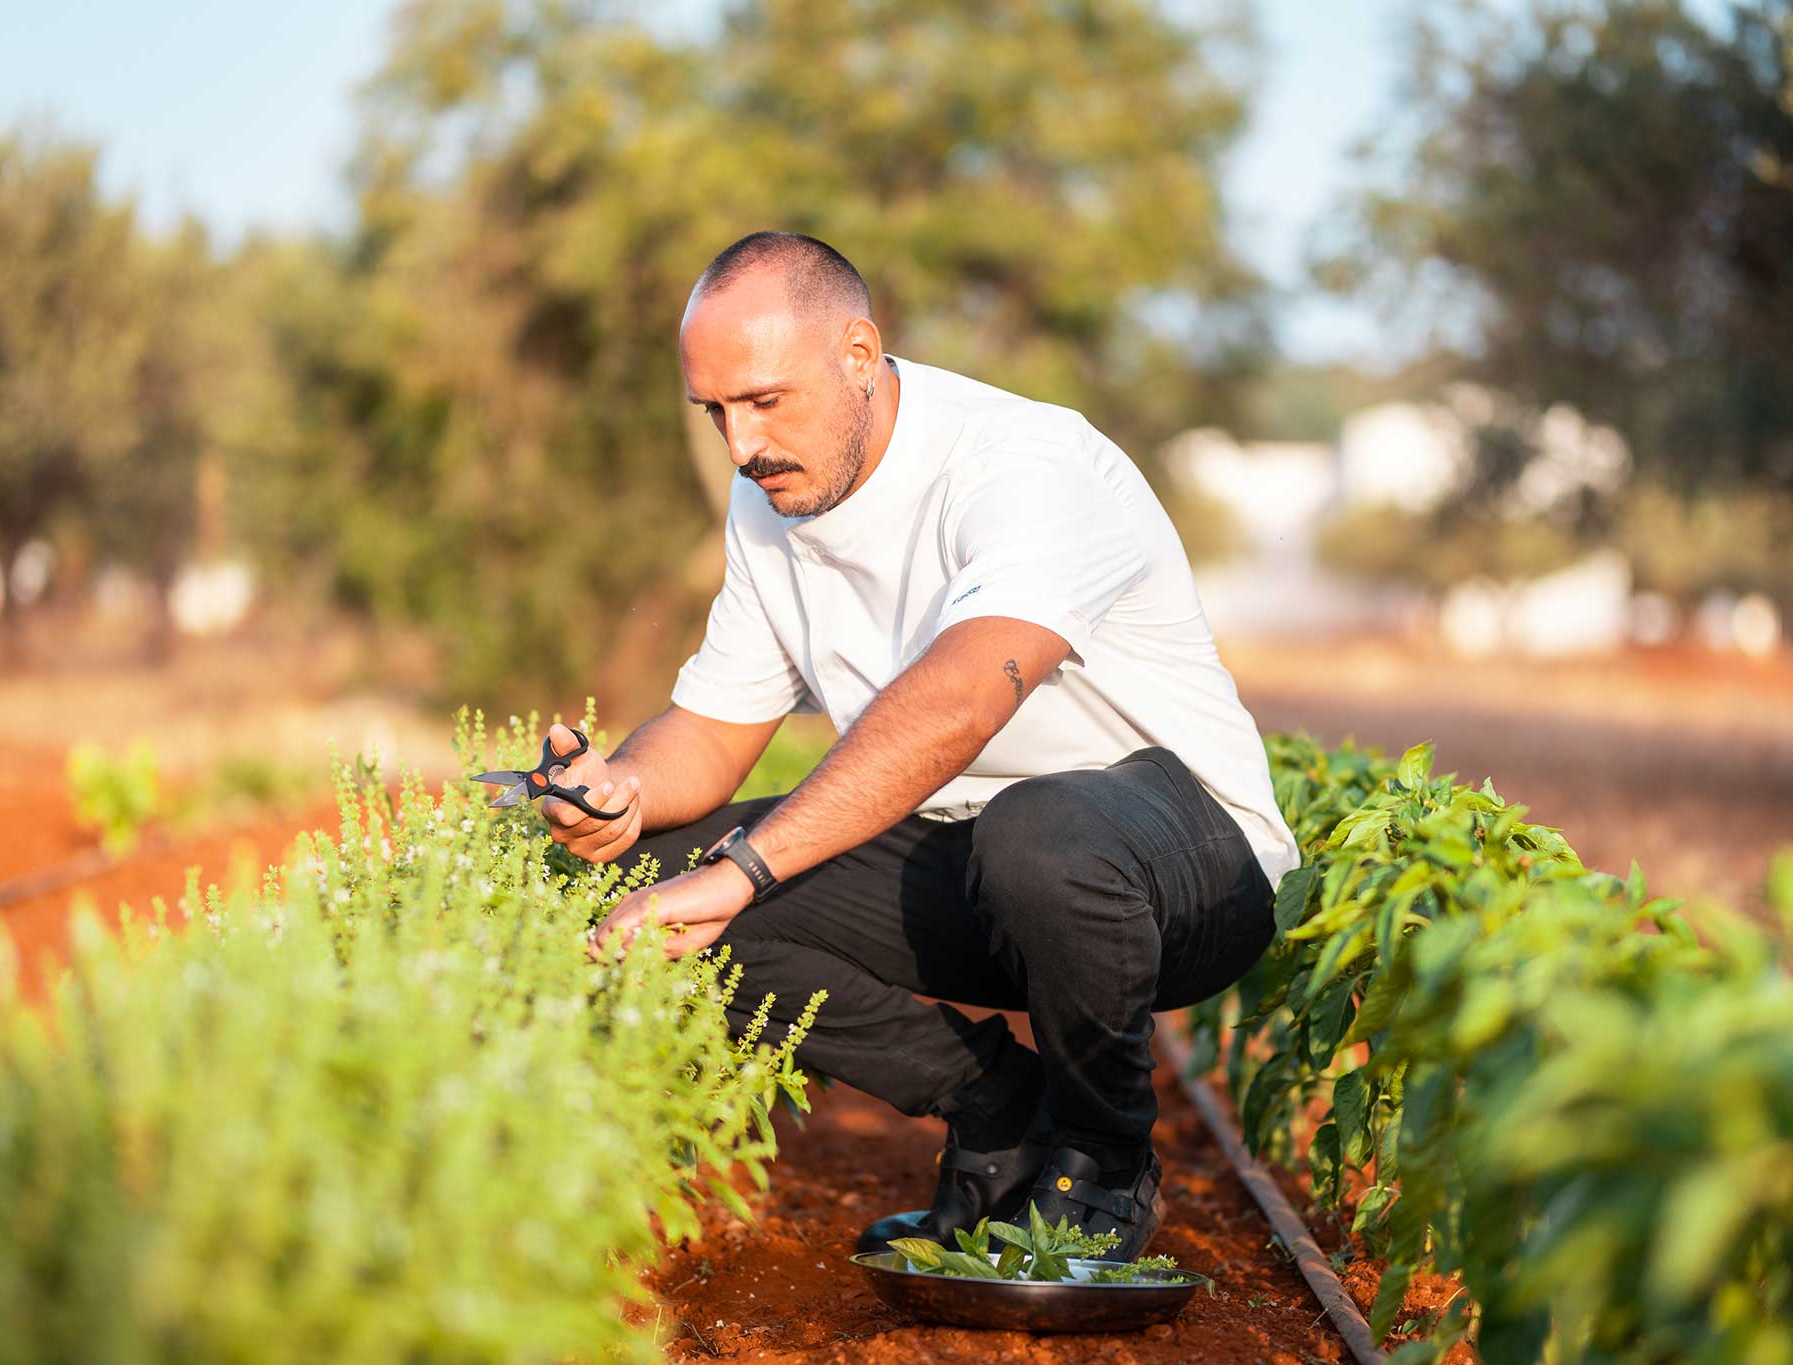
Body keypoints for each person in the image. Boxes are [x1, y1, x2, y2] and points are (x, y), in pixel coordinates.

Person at [543, 230, 1299, 1261]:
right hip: (975, 860)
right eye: (715, 412)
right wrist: (620, 787)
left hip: (1183, 869)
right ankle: (997, 1109)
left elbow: (959, 704)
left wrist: (749, 868)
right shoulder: (770, 500)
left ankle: (1103, 1158)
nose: (740, 443)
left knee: (1037, 832)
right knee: (653, 879)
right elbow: (714, 729)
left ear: (859, 355)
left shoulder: (1025, 461)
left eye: (764, 401)